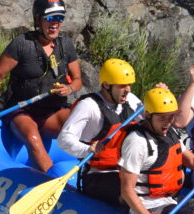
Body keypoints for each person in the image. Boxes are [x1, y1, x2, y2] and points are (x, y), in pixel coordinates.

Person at [0, 0, 82, 172]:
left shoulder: (65, 44)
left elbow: (77, 81)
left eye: (59, 18)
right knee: (32, 137)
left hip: (51, 111)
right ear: (38, 20)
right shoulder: (22, 44)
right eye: (50, 18)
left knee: (83, 128)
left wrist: (69, 89)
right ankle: (53, 185)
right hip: (22, 110)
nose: (55, 23)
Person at [57, 58, 143, 206]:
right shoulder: (88, 106)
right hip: (97, 176)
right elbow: (63, 139)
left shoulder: (131, 101)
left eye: (129, 85)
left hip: (125, 170)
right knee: (131, 189)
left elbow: (152, 122)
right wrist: (88, 149)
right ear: (106, 85)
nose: (127, 89)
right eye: (122, 85)